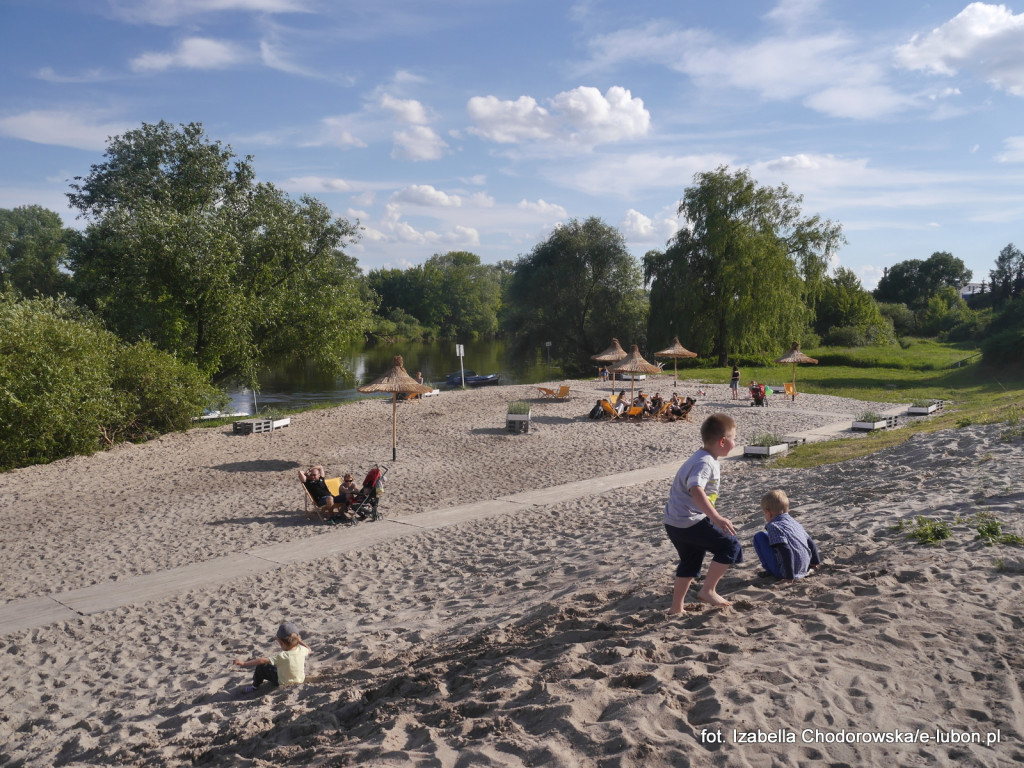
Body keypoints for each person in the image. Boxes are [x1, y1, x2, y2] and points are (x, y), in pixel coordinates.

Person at [664, 413, 742, 613]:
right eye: (734, 438)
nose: (736, 442)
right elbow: (696, 490)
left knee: (690, 561)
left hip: (675, 522)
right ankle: (708, 590)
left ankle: (676, 608)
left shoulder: (704, 457)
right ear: (723, 441)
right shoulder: (704, 462)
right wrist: (716, 518)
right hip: (689, 522)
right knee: (730, 546)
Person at [753, 490, 821, 583]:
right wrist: (814, 563)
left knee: (759, 537)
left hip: (789, 573)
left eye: (764, 513)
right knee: (768, 536)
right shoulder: (794, 522)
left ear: (768, 512)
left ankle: (770, 570)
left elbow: (786, 551)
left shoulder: (774, 526)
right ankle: (810, 565)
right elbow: (811, 543)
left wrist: (789, 577)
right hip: (804, 568)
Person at [233, 621, 312, 694]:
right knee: (279, 665)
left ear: (282, 643)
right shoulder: (302, 650)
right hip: (299, 680)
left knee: (262, 666)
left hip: (282, 682)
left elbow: (262, 660)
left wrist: (244, 663)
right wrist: (300, 641)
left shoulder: (282, 656)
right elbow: (309, 650)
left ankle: (254, 687)